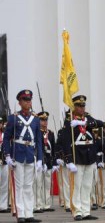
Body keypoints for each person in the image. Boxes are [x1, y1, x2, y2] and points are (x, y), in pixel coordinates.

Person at [3, 90, 43, 223]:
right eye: (25, 100)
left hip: (30, 154)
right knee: (19, 186)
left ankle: (29, 213)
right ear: (20, 102)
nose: (28, 102)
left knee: (28, 185)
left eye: (29, 100)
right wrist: (7, 156)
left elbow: (38, 141)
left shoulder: (36, 119)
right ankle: (20, 214)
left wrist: (40, 159)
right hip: (18, 154)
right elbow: (7, 138)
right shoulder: (13, 118)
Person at [63, 95, 103, 221]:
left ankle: (86, 211)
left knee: (87, 186)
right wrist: (69, 160)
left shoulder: (87, 117)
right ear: (73, 107)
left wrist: (82, 122)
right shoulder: (69, 119)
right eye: (79, 106)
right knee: (77, 185)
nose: (81, 108)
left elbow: (100, 123)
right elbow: (65, 141)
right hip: (77, 156)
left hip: (89, 156)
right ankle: (77, 211)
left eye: (83, 105)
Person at [33, 112, 56, 213]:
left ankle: (46, 204)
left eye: (46, 120)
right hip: (40, 160)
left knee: (47, 184)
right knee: (38, 184)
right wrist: (41, 161)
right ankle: (38, 205)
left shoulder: (50, 133)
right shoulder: (36, 132)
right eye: (42, 120)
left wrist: (54, 162)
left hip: (49, 160)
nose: (45, 122)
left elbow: (54, 149)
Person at [0, 117, 9, 213]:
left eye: (0, 123)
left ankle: (3, 206)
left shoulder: (5, 134)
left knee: (4, 184)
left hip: (4, 161)